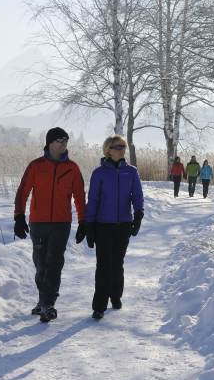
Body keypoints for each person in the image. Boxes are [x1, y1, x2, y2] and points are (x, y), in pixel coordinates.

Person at [13, 127, 86, 323]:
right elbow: (23, 191)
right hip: (38, 222)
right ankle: (42, 300)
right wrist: (19, 216)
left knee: (54, 263)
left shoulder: (72, 168)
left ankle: (48, 304)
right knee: (40, 264)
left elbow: (79, 196)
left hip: (61, 224)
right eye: (59, 141)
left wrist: (83, 222)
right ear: (49, 143)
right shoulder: (36, 166)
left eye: (65, 141)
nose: (63, 144)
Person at [83, 135, 144, 320]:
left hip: (123, 225)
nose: (122, 149)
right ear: (108, 149)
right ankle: (99, 306)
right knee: (103, 266)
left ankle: (115, 296)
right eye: (118, 146)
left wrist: (139, 214)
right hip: (103, 225)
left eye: (124, 146)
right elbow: (93, 200)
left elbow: (137, 195)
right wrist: (89, 225)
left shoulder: (131, 172)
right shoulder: (99, 173)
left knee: (117, 264)